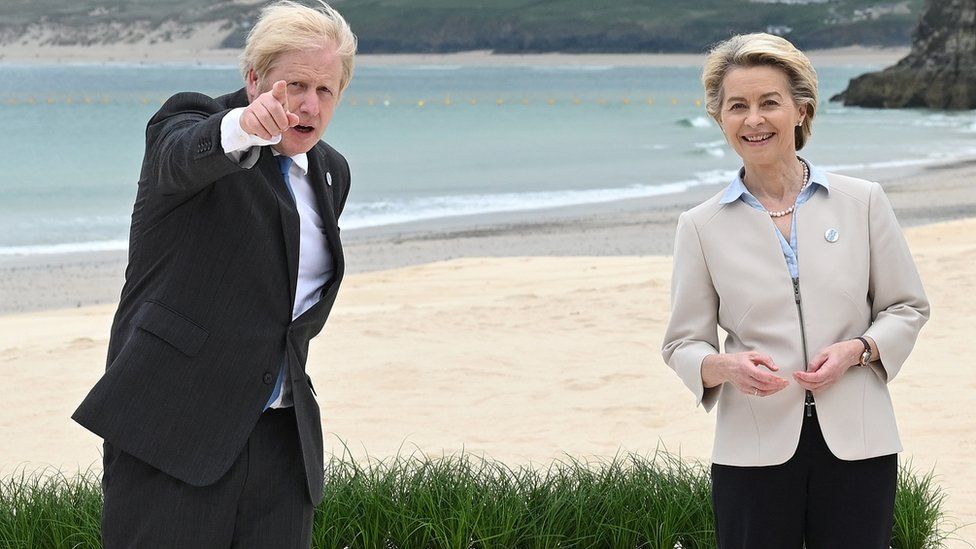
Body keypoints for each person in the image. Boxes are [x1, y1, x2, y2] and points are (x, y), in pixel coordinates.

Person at [72, 1, 356, 546]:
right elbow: (177, 156)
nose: (308, 105)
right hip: (174, 428)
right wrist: (242, 128)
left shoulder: (330, 171)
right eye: (294, 84)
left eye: (326, 90)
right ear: (255, 79)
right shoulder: (192, 126)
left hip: (281, 436)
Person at [662, 33, 929, 548]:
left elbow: (907, 306)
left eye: (769, 103)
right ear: (720, 119)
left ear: (801, 112)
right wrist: (724, 367)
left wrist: (859, 349)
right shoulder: (700, 225)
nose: (753, 119)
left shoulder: (862, 201)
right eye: (737, 106)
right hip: (752, 448)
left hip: (860, 441)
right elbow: (681, 344)